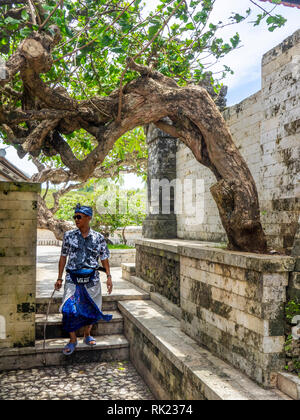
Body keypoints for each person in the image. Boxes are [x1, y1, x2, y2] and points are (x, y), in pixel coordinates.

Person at [54, 203, 113, 355]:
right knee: (68, 309)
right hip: (72, 279)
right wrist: (59, 278)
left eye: (79, 217)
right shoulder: (69, 236)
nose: (76, 219)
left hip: (92, 280)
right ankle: (73, 339)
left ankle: (87, 334)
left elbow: (104, 258)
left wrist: (109, 276)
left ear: (88, 218)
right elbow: (63, 257)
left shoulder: (98, 238)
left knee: (92, 309)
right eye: (74, 217)